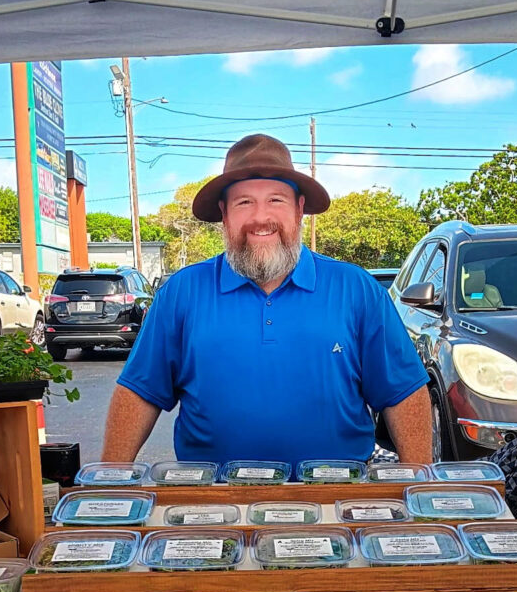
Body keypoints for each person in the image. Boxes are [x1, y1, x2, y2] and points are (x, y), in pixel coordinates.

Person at [102, 134, 432, 467]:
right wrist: (109, 483)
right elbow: (139, 393)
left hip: (335, 497)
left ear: (299, 210)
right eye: (244, 202)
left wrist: (420, 485)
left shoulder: (356, 289)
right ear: (224, 214)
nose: (261, 218)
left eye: (276, 200)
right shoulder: (181, 293)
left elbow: (403, 393)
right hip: (210, 502)